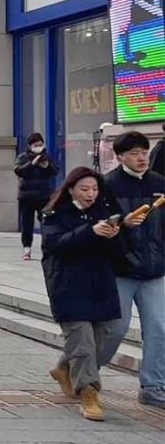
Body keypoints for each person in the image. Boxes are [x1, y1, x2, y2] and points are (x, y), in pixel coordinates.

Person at [40, 167, 123, 421]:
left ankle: (65, 367)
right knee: (83, 343)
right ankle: (88, 393)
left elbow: (119, 253)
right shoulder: (55, 214)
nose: (90, 194)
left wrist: (116, 234)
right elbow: (56, 245)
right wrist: (90, 232)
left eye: (95, 189)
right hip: (68, 287)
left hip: (101, 285)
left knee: (109, 334)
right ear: (71, 189)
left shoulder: (104, 212)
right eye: (85, 189)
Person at [98, 131, 165, 409]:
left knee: (160, 328)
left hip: (154, 269)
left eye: (144, 152)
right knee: (114, 329)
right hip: (120, 269)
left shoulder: (159, 183)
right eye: (135, 153)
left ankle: (153, 385)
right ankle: (84, 370)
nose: (141, 158)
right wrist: (122, 224)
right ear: (120, 156)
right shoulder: (106, 185)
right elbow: (98, 225)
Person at [15, 133, 59, 261]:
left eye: (40, 144)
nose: (38, 147)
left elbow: (55, 171)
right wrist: (32, 164)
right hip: (27, 196)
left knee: (46, 222)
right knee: (27, 224)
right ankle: (27, 249)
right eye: (36, 145)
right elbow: (18, 171)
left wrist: (47, 167)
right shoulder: (23, 157)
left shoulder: (47, 157)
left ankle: (48, 247)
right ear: (30, 146)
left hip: (43, 195)